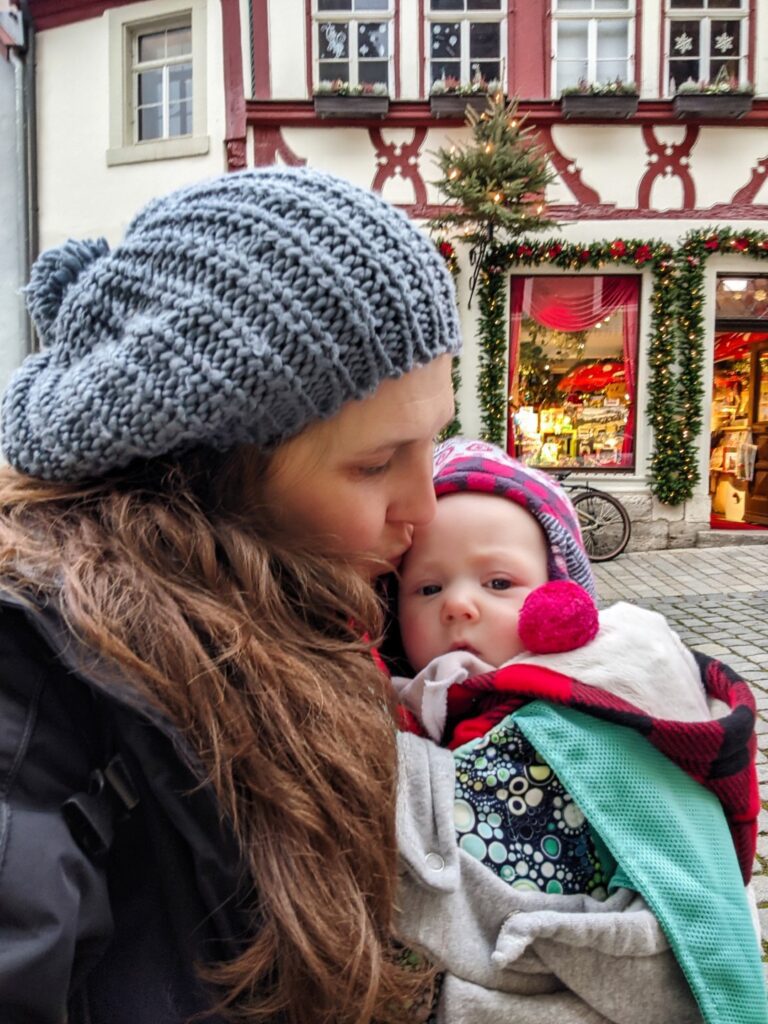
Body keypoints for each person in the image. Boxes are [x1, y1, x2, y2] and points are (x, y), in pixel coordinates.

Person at [0, 167, 461, 1024]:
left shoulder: (324, 605)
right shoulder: (34, 698)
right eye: (373, 464)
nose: (425, 508)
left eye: (434, 439)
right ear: (211, 467)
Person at [391, 438, 765, 1024]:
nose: (458, 605)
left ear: (561, 598)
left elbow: (678, 833)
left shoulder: (599, 697)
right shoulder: (415, 699)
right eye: (428, 588)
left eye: (497, 584)